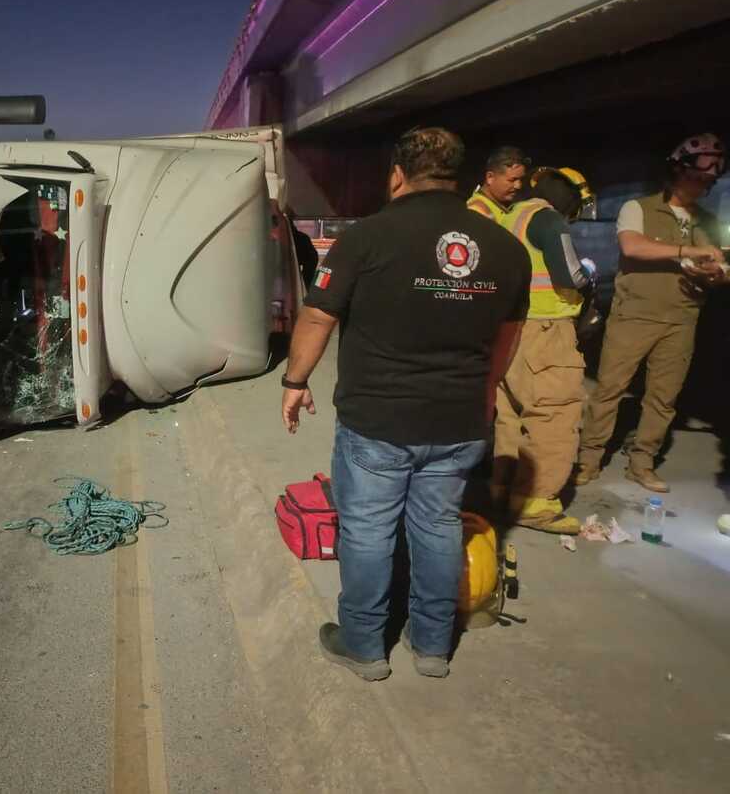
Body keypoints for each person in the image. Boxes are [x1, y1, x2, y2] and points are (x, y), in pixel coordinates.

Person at [282, 127, 529, 681]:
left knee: (367, 529)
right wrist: (485, 393)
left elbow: (319, 315)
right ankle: (432, 645)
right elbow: (509, 335)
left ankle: (365, 646)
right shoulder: (505, 248)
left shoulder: (365, 239)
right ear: (460, 178)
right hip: (460, 418)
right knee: (439, 525)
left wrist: (295, 381)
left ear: (397, 174)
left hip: (378, 419)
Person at [575, 134, 729, 493]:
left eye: (709, 180)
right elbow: (633, 247)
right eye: (698, 177)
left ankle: (642, 463)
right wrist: (686, 252)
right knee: (609, 391)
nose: (703, 185)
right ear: (679, 171)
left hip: (682, 319)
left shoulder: (706, 219)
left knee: (663, 399)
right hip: (635, 317)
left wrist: (713, 273)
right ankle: (589, 459)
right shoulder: (638, 208)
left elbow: (716, 266)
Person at [489, 167, 598, 534]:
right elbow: (571, 275)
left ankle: (500, 489)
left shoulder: (510, 215)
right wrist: (590, 279)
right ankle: (535, 503)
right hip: (546, 327)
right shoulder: (549, 220)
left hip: (508, 328)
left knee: (511, 413)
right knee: (554, 414)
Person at [467, 146, 530, 219]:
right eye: (512, 180)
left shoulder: (502, 205)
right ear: (490, 177)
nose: (518, 186)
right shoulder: (477, 211)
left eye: (521, 180)